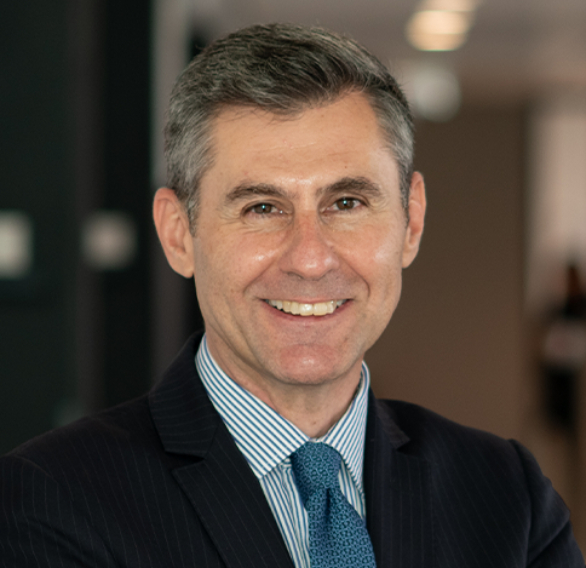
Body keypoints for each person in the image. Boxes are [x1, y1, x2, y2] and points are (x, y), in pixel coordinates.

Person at [0, 23, 583, 568]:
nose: (310, 258)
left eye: (347, 203)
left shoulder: (508, 497)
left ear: (412, 220)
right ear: (178, 234)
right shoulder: (53, 500)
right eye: (262, 208)